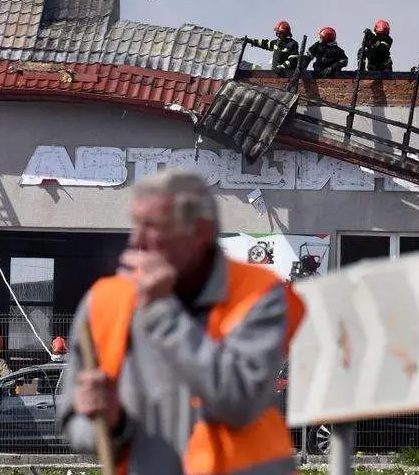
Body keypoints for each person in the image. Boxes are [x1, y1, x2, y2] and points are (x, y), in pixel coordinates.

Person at [58, 169, 306, 475]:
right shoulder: (104, 303)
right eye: (136, 225)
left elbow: (239, 402)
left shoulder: (259, 294)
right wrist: (111, 423)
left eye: (154, 227)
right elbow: (75, 421)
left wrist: (164, 313)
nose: (137, 240)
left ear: (200, 232)